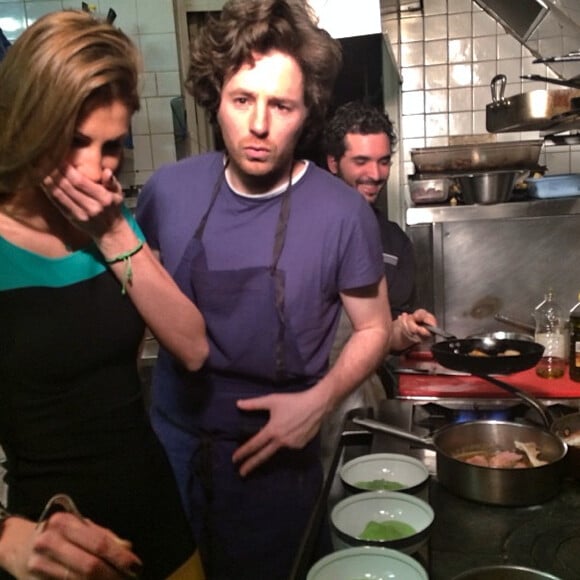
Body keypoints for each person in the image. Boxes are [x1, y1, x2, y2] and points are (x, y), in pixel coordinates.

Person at [135, 1, 404, 577]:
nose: (259, 125)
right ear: (217, 97)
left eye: (280, 105)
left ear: (306, 112)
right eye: (242, 100)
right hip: (170, 453)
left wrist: (319, 401)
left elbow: (376, 327)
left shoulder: (341, 215)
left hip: (277, 463)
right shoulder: (167, 193)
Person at [0, 10, 209, 579]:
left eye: (111, 146)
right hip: (54, 541)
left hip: (156, 512)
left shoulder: (111, 222)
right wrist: (6, 537)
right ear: (25, 127)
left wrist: (113, 230)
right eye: (73, 142)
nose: (95, 168)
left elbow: (192, 346)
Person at [320, 101, 437, 469]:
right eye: (361, 161)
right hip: (301, 399)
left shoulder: (394, 243)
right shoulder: (302, 228)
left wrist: (405, 329)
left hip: (361, 401)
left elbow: (384, 338)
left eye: (383, 161)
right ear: (333, 162)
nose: (375, 173)